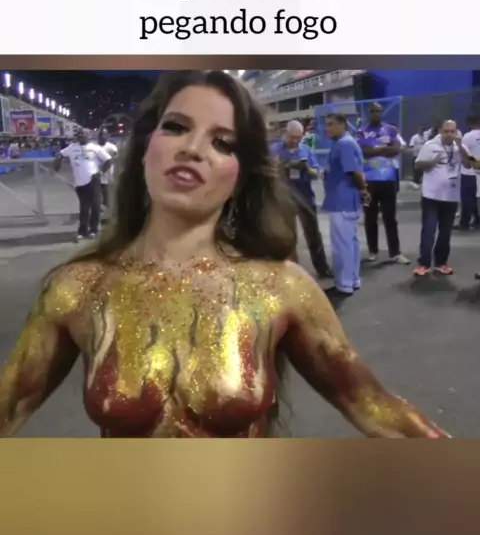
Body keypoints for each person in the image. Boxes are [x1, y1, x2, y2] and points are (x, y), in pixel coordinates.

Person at [0, 70, 448, 440]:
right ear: (145, 147)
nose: (192, 148)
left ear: (241, 175)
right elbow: (12, 402)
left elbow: (371, 406)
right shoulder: (78, 289)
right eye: (176, 127)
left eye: (223, 143)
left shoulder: (278, 287)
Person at [271, 120, 331, 278]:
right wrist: (283, 166)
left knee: (313, 233)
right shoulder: (274, 150)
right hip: (283, 198)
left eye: (299, 137)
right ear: (286, 134)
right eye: (293, 137)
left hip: (305, 196)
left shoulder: (306, 150)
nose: (296, 141)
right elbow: (266, 172)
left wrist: (305, 168)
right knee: (287, 235)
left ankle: (322, 268)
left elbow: (316, 174)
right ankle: (292, 271)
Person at [413, 120, 470, 277]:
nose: (449, 135)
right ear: (441, 131)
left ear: (456, 132)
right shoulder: (430, 145)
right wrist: (432, 162)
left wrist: (461, 147)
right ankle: (423, 263)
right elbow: (417, 165)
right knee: (429, 231)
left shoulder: (460, 147)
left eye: (452, 131)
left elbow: (468, 165)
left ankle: (441, 263)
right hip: (431, 196)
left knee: (445, 233)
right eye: (446, 131)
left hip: (451, 197)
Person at [356, 103, 410, 265]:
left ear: (382, 112)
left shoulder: (391, 130)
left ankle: (395, 252)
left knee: (390, 217)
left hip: (389, 179)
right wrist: (384, 149)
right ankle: (373, 251)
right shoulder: (361, 131)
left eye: (378, 111)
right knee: (370, 217)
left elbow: (397, 148)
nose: (376, 114)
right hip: (368, 180)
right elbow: (362, 151)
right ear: (368, 113)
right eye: (373, 111)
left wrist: (375, 149)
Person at [323, 113, 370, 299]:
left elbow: (355, 172)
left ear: (342, 125)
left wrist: (363, 190)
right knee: (350, 242)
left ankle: (344, 284)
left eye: (331, 124)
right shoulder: (343, 143)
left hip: (342, 201)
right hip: (345, 200)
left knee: (342, 244)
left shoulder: (344, 144)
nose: (327, 128)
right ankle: (352, 279)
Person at [54, 128, 112, 242]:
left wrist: (101, 172)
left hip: (93, 180)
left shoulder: (95, 148)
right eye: (80, 134)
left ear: (89, 136)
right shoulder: (72, 148)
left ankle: (93, 230)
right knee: (84, 208)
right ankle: (82, 231)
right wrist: (57, 164)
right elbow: (60, 154)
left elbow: (108, 160)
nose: (82, 136)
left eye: (84, 134)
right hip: (80, 183)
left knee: (95, 206)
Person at [456, 115, 480, 231]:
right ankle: (477, 221)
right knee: (477, 198)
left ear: (470, 123)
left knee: (467, 199)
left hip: (469, 171)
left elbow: (463, 152)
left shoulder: (468, 136)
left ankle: (464, 223)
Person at [97, 127, 119, 209]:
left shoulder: (111, 147)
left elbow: (115, 158)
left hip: (108, 174)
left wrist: (106, 165)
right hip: (96, 174)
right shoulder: (94, 147)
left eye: (104, 134)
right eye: (100, 134)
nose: (102, 136)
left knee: (107, 194)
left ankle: (109, 209)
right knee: (97, 194)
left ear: (107, 135)